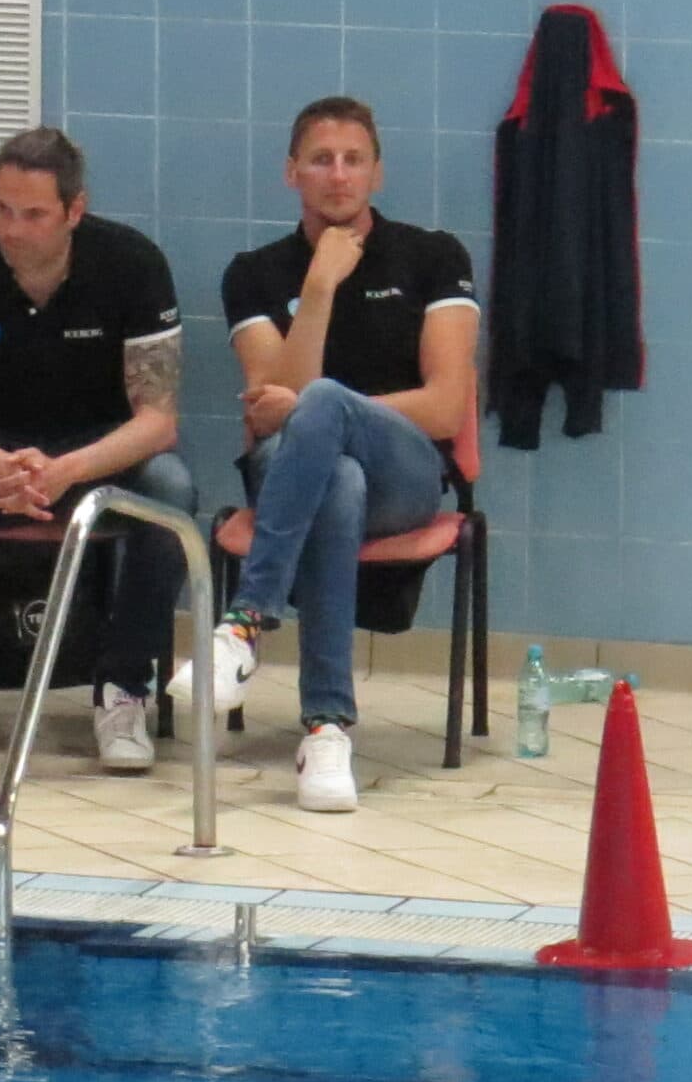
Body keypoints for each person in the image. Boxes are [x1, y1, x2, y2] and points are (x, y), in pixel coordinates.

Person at [191, 95, 479, 813]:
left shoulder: (434, 257)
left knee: (322, 404)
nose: (339, 175)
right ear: (292, 171)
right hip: (294, 475)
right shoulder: (255, 273)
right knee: (337, 481)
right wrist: (318, 286)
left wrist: (329, 408)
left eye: (354, 160)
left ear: (377, 172)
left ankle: (245, 622)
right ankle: (325, 732)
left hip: (406, 476)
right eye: (321, 160)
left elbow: (446, 406)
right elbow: (271, 412)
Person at [0, 127, 195, 773]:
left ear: (74, 210)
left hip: (96, 456)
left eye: (33, 214)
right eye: (2, 209)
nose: (13, 229)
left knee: (171, 486)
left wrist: (67, 471)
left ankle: (123, 689)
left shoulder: (133, 263)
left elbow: (158, 420)